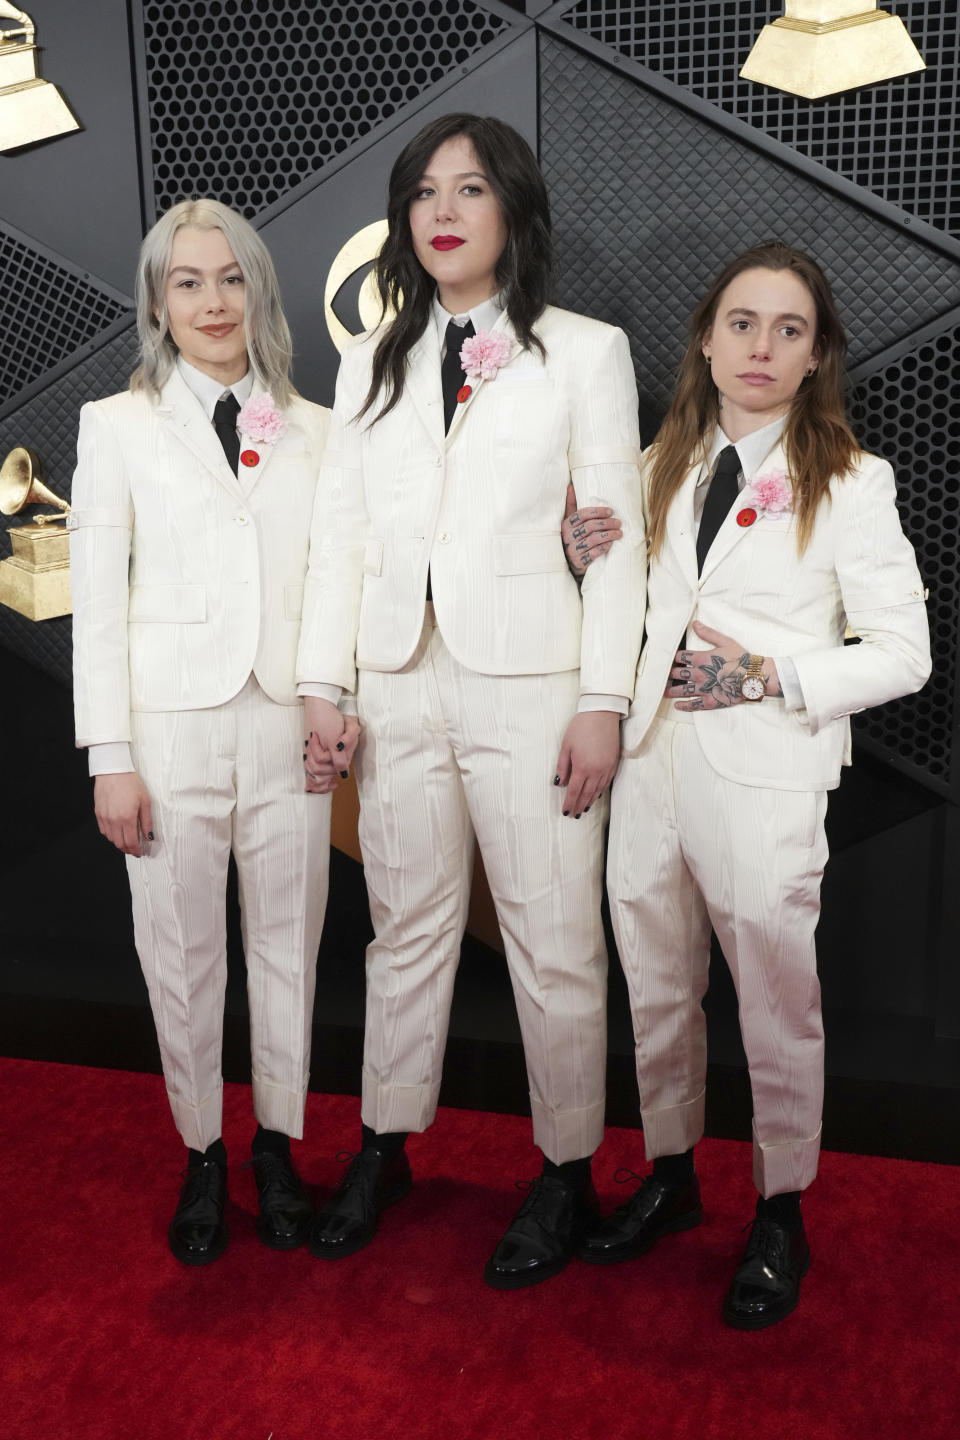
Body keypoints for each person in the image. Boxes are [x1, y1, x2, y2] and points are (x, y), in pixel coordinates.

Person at [297, 112, 646, 1287]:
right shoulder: (369, 358)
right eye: (426, 193)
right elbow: (339, 538)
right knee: (405, 934)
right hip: (397, 687)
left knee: (555, 942)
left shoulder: (584, 353)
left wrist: (602, 697)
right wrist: (325, 686)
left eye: (471, 190)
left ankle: (562, 1174)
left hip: (535, 687)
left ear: (512, 213)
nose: (444, 212)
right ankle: (386, 1143)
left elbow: (617, 545)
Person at [565, 241, 930, 1327]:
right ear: (708, 340)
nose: (760, 347)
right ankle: (672, 1176)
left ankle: (782, 1210)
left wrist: (772, 673)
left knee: (776, 1001)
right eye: (741, 323)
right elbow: (622, 590)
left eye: (788, 330)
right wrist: (581, 550)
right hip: (650, 763)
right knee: (656, 981)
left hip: (766, 774)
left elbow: (904, 653)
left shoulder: (854, 484)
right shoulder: (655, 463)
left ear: (818, 356)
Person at [69, 199, 334, 1265]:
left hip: (285, 725)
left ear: (258, 291)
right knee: (179, 956)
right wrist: (111, 759)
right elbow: (96, 602)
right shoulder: (116, 425)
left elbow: (333, 583)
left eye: (231, 279)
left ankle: (276, 1146)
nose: (214, 301)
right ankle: (203, 1152)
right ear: (157, 301)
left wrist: (331, 700)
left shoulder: (316, 427)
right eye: (188, 283)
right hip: (167, 731)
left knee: (288, 947)